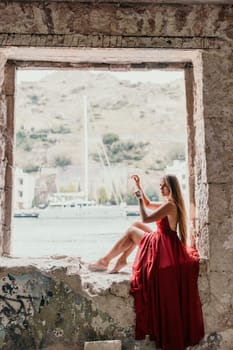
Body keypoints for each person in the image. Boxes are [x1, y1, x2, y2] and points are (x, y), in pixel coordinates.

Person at [88, 174, 204, 350]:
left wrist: (140, 200)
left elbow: (146, 217)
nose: (160, 188)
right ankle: (122, 259)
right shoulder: (170, 203)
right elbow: (149, 205)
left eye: (163, 186)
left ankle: (106, 261)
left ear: (171, 188)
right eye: (160, 185)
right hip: (165, 241)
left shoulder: (170, 206)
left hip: (163, 247)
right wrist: (139, 187)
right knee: (134, 226)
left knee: (133, 231)